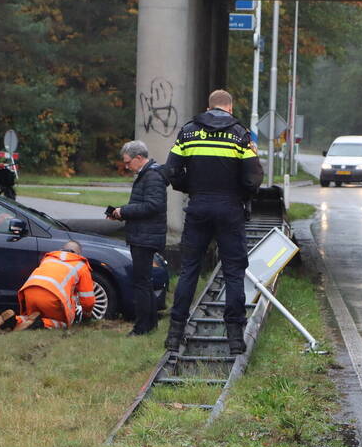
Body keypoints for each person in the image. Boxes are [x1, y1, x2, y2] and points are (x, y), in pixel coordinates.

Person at [164, 89, 263, 355]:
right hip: (230, 209)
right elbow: (253, 178)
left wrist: (191, 188)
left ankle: (174, 335)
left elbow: (171, 170)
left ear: (209, 107)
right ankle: (234, 339)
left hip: (198, 207)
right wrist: (240, 195)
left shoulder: (188, 132)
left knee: (189, 271)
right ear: (229, 108)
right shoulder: (241, 134)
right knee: (233, 272)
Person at [108, 140, 168, 336]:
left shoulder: (151, 176)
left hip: (145, 237)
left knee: (141, 283)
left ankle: (142, 327)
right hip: (144, 234)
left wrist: (124, 211)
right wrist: (120, 213)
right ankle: (150, 324)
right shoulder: (148, 175)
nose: (126, 166)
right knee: (145, 282)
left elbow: (152, 206)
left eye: (127, 162)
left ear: (139, 158)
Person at [0, 241, 96, 331]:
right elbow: (88, 300)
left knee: (29, 317)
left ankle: (14, 320)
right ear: (78, 254)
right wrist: (87, 314)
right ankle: (40, 324)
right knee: (64, 324)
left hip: (29, 293)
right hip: (53, 298)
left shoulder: (48, 258)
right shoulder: (80, 265)